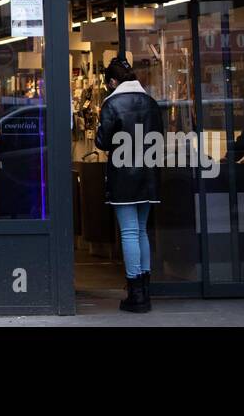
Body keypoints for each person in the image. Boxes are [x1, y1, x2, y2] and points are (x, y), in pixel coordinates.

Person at [93, 56, 163, 313]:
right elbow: (159, 137)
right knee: (141, 231)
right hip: (148, 171)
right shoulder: (151, 102)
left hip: (123, 174)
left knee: (129, 232)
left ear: (112, 81)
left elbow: (102, 141)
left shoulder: (112, 103)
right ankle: (145, 289)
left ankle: (135, 292)